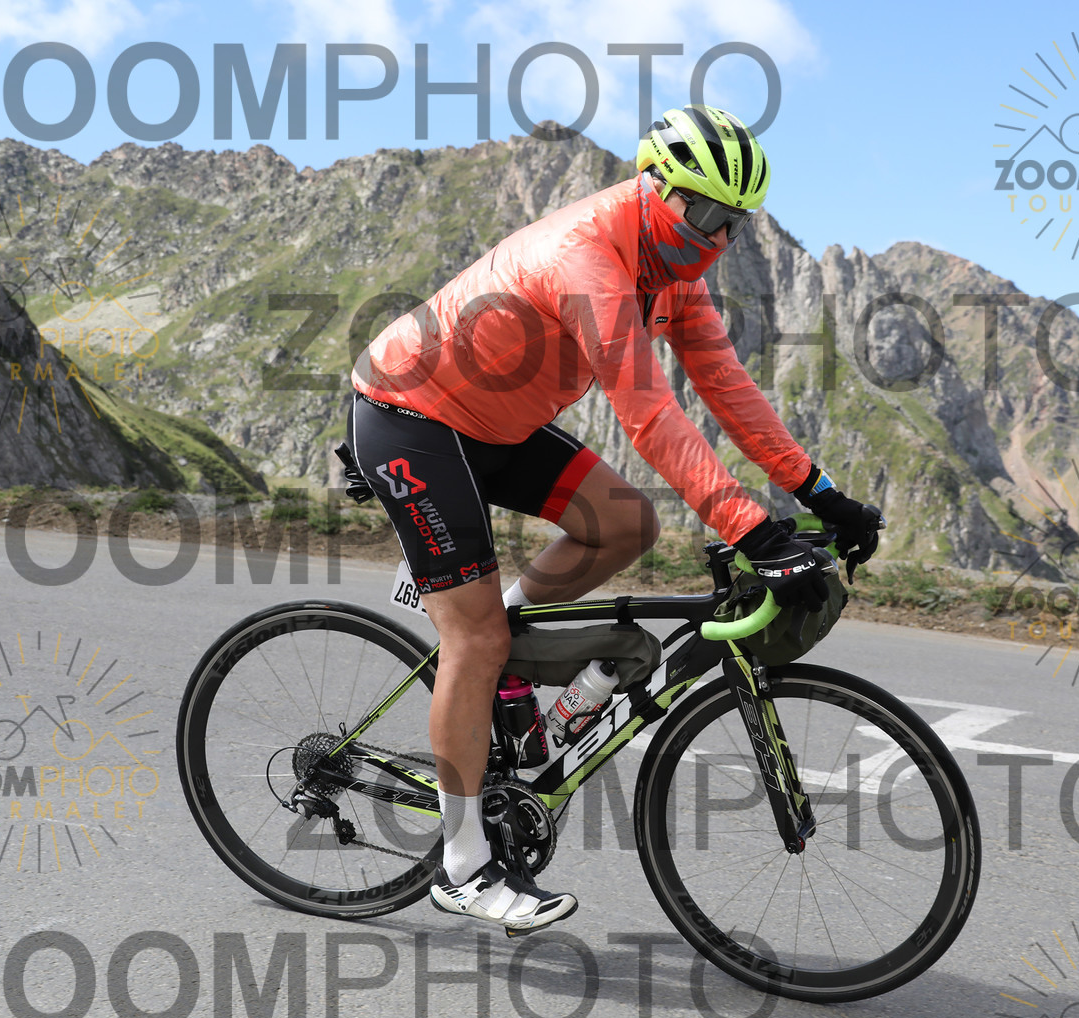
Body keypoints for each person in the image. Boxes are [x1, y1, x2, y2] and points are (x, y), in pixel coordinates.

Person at [344, 105, 882, 933]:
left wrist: (819, 491)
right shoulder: (586, 256)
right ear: (657, 187)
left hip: (494, 425)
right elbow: (650, 415)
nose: (718, 237)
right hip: (410, 415)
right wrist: (754, 531)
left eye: (735, 222)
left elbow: (728, 390)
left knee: (627, 525)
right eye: (706, 213)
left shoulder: (673, 279)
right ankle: (461, 864)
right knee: (474, 640)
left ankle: (498, 632)